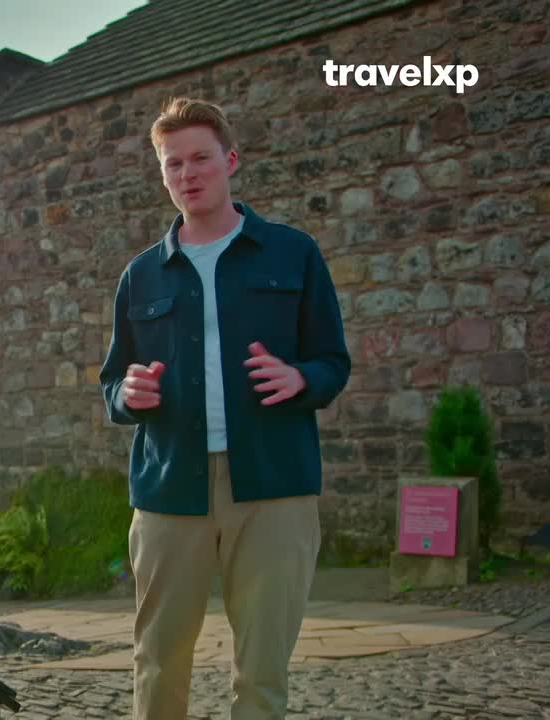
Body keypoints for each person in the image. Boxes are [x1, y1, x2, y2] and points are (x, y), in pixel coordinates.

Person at [98, 97, 351, 720]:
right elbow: (113, 384)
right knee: (158, 661)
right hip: (167, 492)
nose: (188, 174)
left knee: (263, 670)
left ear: (230, 161)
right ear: (163, 174)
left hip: (273, 486)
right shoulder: (141, 276)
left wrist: (300, 376)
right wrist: (128, 396)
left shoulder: (294, 253)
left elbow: (333, 362)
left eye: (201, 158)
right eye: (173, 163)